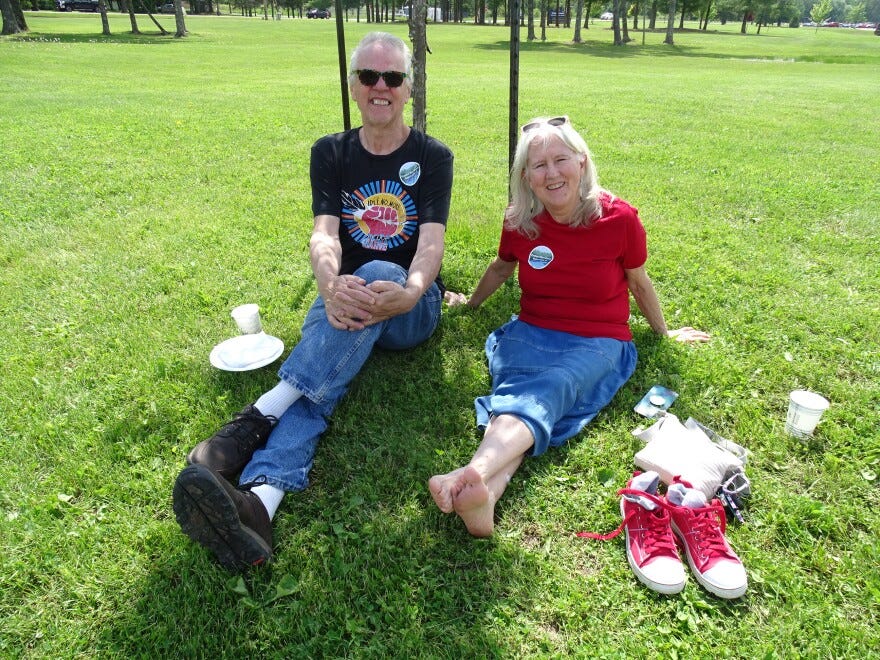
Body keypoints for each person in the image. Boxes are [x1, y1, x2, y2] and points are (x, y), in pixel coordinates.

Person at [173, 32, 463, 570]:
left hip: (409, 309)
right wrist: (329, 285)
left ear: (408, 90)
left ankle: (258, 414)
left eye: (393, 78)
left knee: (376, 272)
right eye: (369, 76)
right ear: (353, 85)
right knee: (325, 376)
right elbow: (324, 234)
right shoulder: (331, 152)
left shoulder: (432, 156)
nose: (381, 87)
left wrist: (414, 292)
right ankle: (262, 502)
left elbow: (431, 244)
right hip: (344, 300)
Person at [428, 116, 709, 538]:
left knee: (551, 387)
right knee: (524, 395)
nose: (551, 173)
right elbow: (503, 266)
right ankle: (488, 490)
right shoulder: (521, 218)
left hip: (597, 339)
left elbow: (638, 280)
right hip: (531, 331)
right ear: (526, 177)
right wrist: (470, 302)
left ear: (582, 162)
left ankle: (472, 471)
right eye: (538, 165)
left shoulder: (619, 218)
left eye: (560, 159)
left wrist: (664, 333)